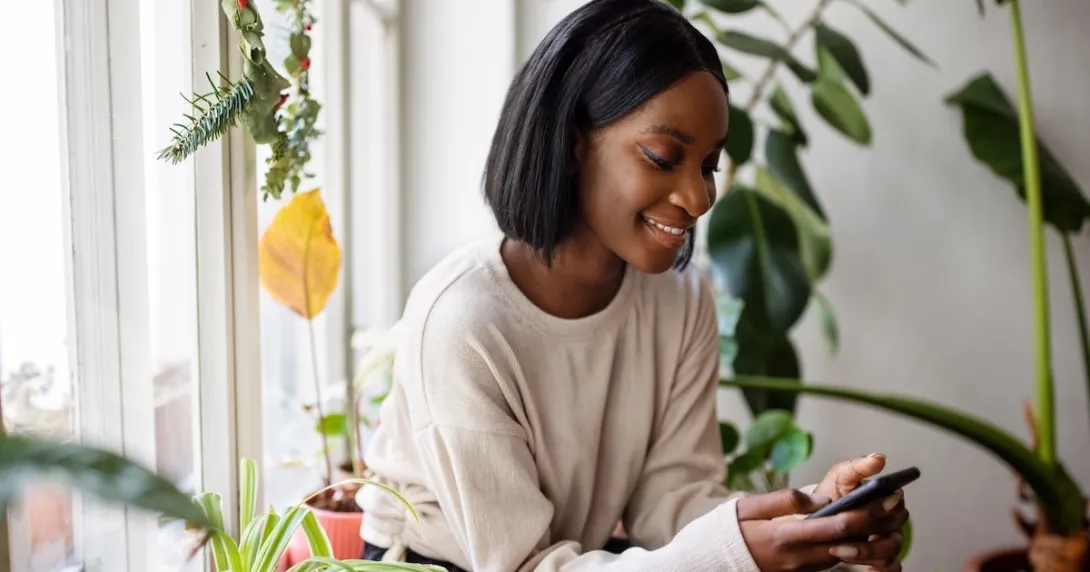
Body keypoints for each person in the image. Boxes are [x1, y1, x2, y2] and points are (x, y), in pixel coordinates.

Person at [356, 0, 909, 570]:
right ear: (573, 145)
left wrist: (812, 516)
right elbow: (520, 563)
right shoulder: (461, 323)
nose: (698, 199)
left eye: (709, 165)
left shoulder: (681, 300)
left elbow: (676, 506)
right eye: (664, 157)